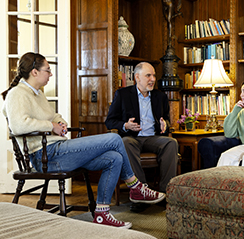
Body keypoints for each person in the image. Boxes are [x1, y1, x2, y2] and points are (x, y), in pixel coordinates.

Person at [2, 52, 165, 229]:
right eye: (47, 70)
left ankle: (102, 214)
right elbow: (18, 126)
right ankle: (135, 186)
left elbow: (54, 116)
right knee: (114, 138)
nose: (50, 74)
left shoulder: (38, 94)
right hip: (46, 156)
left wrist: (60, 123)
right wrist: (51, 126)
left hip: (58, 150)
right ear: (34, 72)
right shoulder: (17, 93)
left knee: (114, 158)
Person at [105, 62, 178, 196]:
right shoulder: (122, 94)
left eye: (154, 76)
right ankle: (141, 190)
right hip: (133, 138)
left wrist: (165, 124)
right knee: (125, 143)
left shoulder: (160, 97)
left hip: (153, 138)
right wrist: (126, 125)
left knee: (171, 143)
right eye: (148, 76)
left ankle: (166, 192)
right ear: (137, 77)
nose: (153, 79)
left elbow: (166, 119)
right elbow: (109, 122)